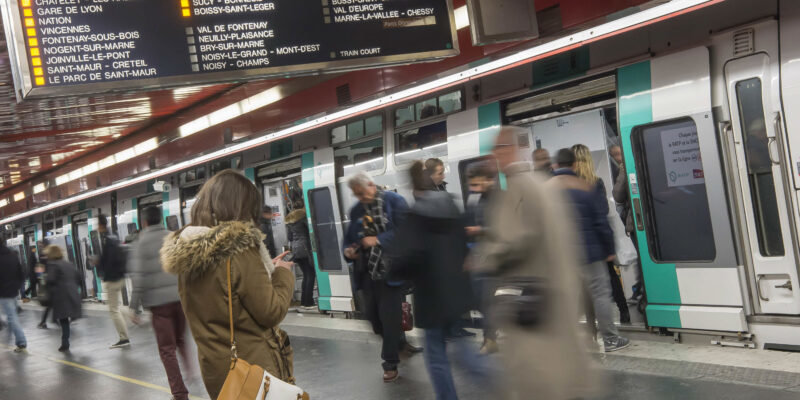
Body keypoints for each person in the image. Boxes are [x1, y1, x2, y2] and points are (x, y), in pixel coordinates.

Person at [473, 127, 599, 399]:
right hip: (552, 292)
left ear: (509, 150)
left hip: (534, 300)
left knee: (538, 378)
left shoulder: (519, 187)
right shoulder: (538, 184)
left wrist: (483, 256)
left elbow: (514, 241)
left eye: (497, 150)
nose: (493, 157)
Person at [161, 169, 296, 399]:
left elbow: (222, 293)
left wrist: (261, 272)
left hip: (218, 371)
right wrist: (282, 275)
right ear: (241, 207)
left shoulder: (187, 254)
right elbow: (271, 312)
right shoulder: (240, 251)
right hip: (253, 368)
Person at [389, 161, 494, 400]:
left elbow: (404, 260)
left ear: (414, 190)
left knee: (436, 356)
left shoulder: (414, 218)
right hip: (456, 294)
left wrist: (394, 272)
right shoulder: (451, 205)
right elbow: (463, 247)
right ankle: (501, 382)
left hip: (431, 299)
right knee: (463, 350)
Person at [343, 172, 422, 383]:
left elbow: (406, 233)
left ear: (371, 185)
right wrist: (349, 251)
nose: (361, 198)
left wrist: (378, 239)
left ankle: (389, 363)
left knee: (389, 320)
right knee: (374, 320)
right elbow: (349, 240)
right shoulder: (356, 210)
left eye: (363, 193)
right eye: (357, 195)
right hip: (367, 273)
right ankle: (399, 345)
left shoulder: (394, 201)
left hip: (391, 271)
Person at [552, 148, 631, 352]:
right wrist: (609, 249)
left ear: (555, 165)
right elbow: (600, 220)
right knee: (600, 294)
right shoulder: (584, 186)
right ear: (575, 164)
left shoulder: (547, 189)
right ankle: (611, 339)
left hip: (563, 254)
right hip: (590, 250)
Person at [128, 206, 191, 400]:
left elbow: (138, 277)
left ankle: (180, 393)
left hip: (159, 305)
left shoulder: (140, 243)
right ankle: (193, 372)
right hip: (179, 299)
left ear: (144, 222)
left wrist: (134, 307)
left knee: (167, 349)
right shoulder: (173, 236)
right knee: (181, 340)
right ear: (161, 219)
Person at [571, 144, 630, 324]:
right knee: (610, 277)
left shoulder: (570, 185)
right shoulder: (596, 182)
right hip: (600, 237)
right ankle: (624, 312)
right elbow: (603, 210)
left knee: (585, 285)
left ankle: (591, 326)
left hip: (580, 242)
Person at [463, 161, 500, 354]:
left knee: (487, 299)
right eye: (471, 185)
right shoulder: (473, 198)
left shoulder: (499, 199)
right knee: (479, 299)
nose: (473, 189)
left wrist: (481, 230)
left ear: (488, 180)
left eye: (477, 185)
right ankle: (493, 332)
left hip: (496, 256)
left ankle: (489, 339)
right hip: (478, 253)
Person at [612, 157, 645, 304]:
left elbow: (618, 194)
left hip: (638, 220)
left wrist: (623, 170)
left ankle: (642, 291)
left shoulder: (627, 165)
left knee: (642, 259)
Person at [96, 214, 131, 349]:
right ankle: (131, 316)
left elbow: (109, 261)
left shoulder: (107, 240)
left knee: (113, 310)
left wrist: (102, 272)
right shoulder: (114, 237)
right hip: (120, 277)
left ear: (101, 226)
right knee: (117, 306)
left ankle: (123, 338)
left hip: (112, 279)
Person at [42, 245, 82, 352]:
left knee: (63, 319)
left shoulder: (53, 265)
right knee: (65, 317)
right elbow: (79, 277)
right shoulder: (69, 264)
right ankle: (65, 341)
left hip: (61, 296)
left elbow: (50, 280)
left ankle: (65, 343)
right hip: (72, 294)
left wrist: (45, 280)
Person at [286, 201, 317, 312]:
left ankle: (304, 301)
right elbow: (311, 233)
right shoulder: (303, 218)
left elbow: (290, 237)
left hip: (296, 250)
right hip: (305, 249)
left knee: (306, 275)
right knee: (310, 274)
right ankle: (308, 302)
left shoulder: (291, 222)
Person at [0, 235, 27, 353]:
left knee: (12, 317)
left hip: (3, 292)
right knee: (12, 316)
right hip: (13, 291)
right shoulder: (12, 255)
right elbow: (21, 273)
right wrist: (17, 287)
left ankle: (21, 342)